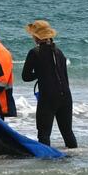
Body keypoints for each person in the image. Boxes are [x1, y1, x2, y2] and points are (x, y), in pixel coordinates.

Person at [21, 20, 78, 149]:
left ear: (36, 36)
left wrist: (40, 74)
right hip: (66, 96)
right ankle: (74, 159)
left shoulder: (34, 52)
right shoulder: (59, 52)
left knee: (44, 134)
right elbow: (64, 76)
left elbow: (25, 77)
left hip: (48, 97)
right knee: (67, 132)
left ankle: (45, 163)